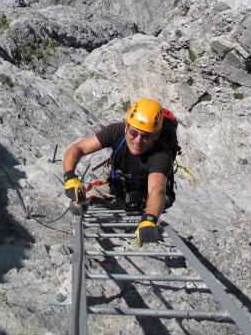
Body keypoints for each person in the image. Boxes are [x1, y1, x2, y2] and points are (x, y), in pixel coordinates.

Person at [63, 98, 173, 246]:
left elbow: (157, 189)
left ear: (156, 135)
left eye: (146, 136)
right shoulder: (116, 131)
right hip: (117, 180)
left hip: (143, 194)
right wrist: (70, 177)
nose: (138, 140)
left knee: (141, 208)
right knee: (84, 203)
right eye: (134, 133)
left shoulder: (161, 155)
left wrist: (150, 219)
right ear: (127, 126)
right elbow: (77, 149)